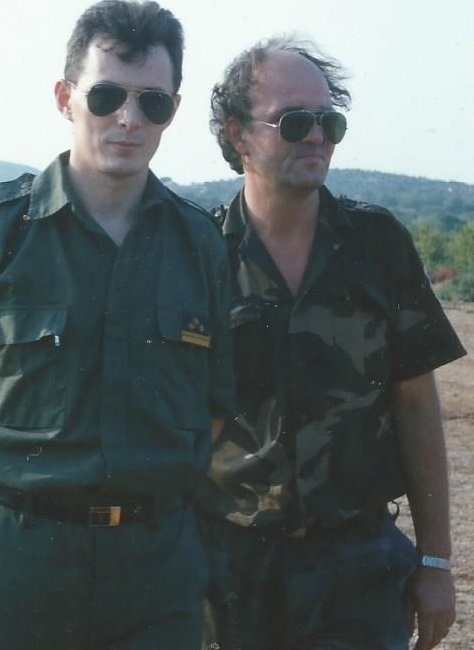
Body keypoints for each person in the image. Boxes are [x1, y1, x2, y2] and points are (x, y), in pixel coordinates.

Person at [0, 2, 234, 648]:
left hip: (157, 569)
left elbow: (215, 405)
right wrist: (5, 501)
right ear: (64, 98)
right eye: (106, 96)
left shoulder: (200, 246)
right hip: (14, 563)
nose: (128, 119)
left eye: (152, 103)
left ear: (173, 110)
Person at [199, 36, 466, 650]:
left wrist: (435, 563)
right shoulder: (200, 257)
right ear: (238, 134)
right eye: (295, 122)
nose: (317, 136)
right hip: (228, 571)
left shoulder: (378, 243)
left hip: (358, 570)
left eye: (330, 121)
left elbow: (417, 408)